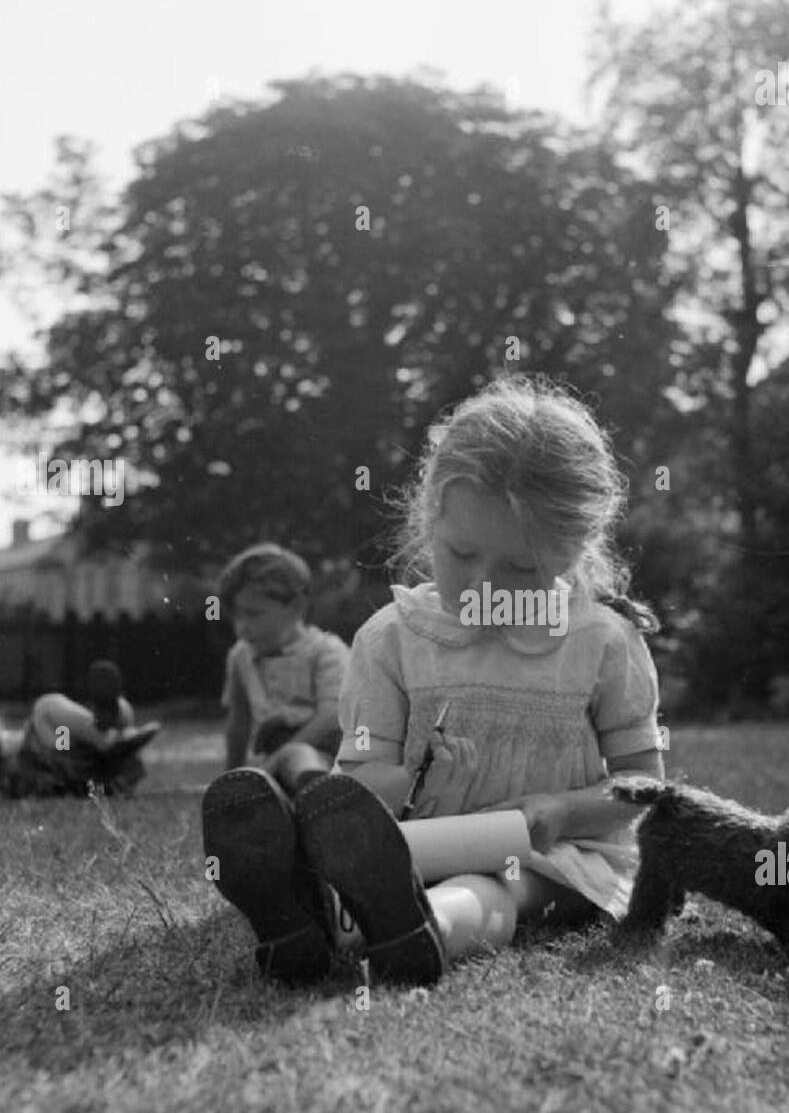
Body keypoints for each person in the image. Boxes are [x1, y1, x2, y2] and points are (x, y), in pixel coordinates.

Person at [202, 375, 674, 987]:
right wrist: (410, 775)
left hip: (552, 861)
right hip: (407, 849)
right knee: (362, 865)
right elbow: (367, 783)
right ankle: (302, 912)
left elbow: (642, 785)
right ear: (430, 520)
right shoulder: (392, 638)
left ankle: (427, 930)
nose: (482, 586)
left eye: (520, 568)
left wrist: (562, 808)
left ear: (574, 550)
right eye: (461, 554)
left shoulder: (602, 641)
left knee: (494, 886)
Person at [215, 543, 351, 786]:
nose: (241, 627)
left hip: (328, 758)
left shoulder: (325, 651)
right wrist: (230, 780)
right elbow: (239, 724)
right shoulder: (240, 656)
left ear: (296, 607)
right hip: (274, 763)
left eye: (254, 614)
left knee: (299, 759)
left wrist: (280, 758)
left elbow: (330, 716)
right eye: (236, 615)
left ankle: (319, 796)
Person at [0, 659, 160, 797]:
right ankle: (113, 730)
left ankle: (113, 731)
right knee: (46, 708)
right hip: (55, 754)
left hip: (73, 760)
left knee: (66, 729)